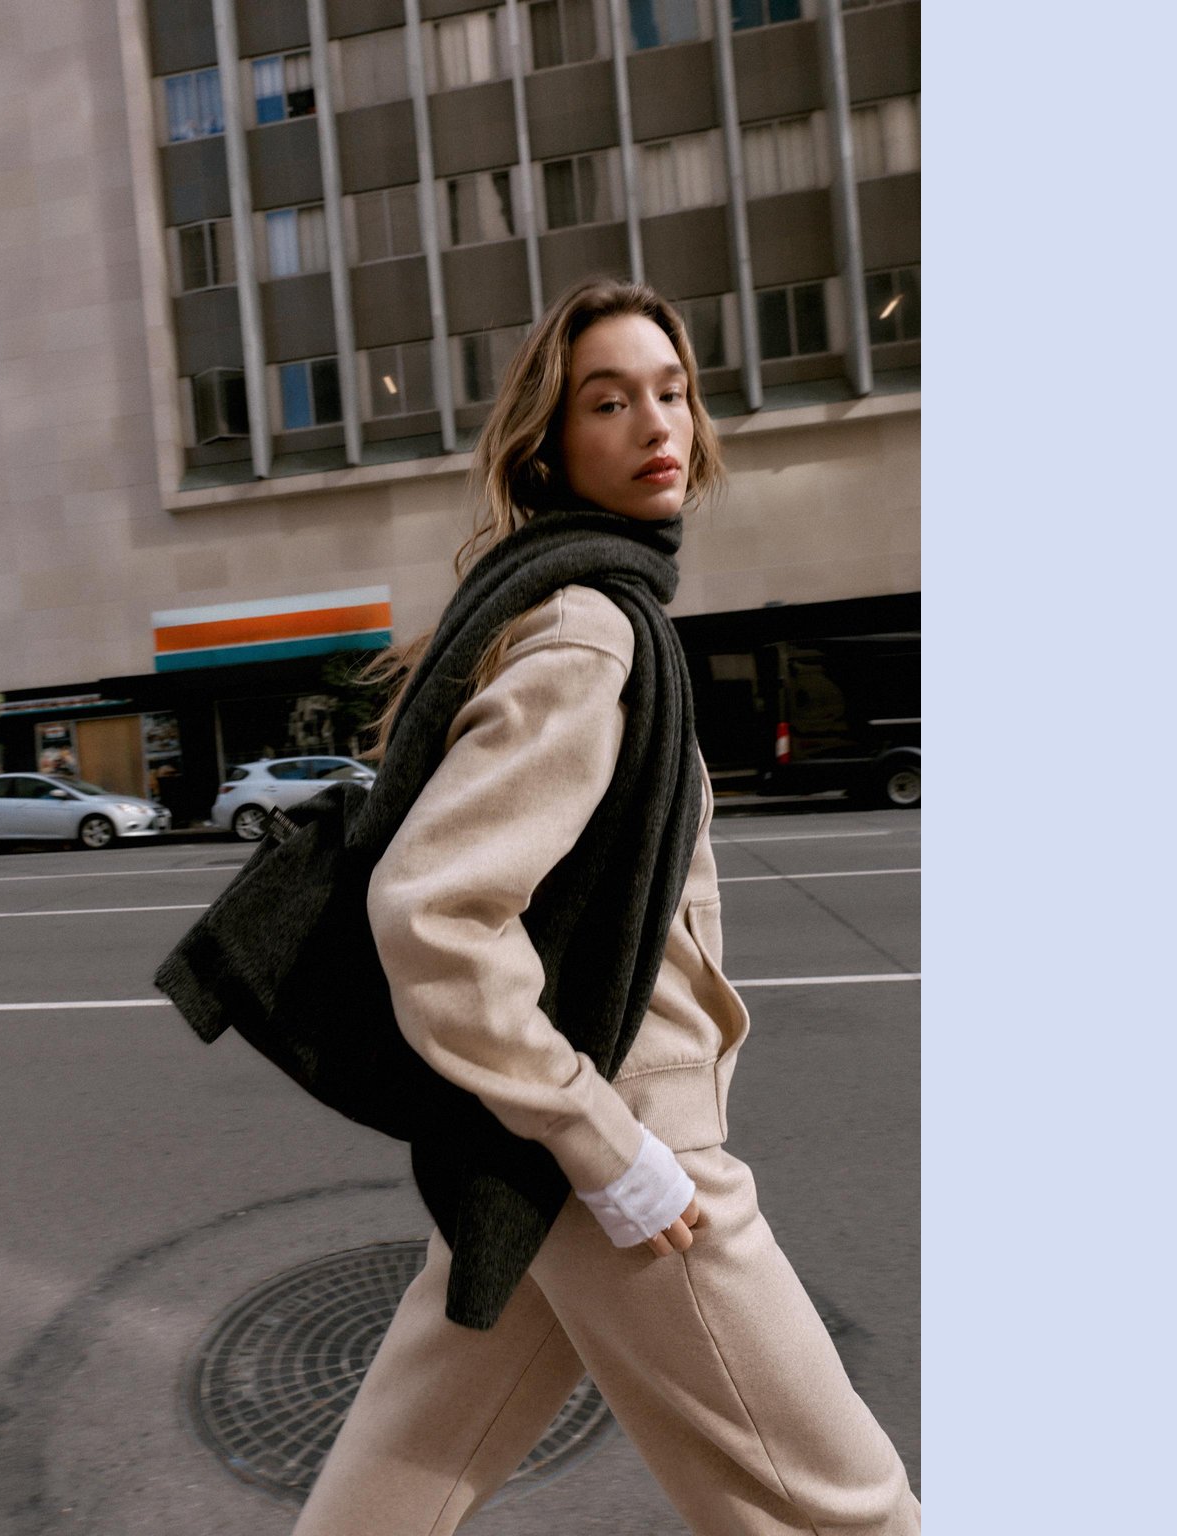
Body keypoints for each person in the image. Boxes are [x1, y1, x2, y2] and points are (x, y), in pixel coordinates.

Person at [293, 280, 920, 1534]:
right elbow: (435, 911)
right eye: (609, 401)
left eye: (672, 392)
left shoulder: (570, 605)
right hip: (628, 1155)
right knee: (852, 1512)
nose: (656, 423)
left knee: (395, 1496)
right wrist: (606, 1145)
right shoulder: (592, 632)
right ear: (552, 443)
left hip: (551, 1151)